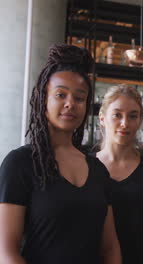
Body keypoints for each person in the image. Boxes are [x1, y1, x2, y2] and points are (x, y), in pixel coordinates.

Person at [0, 44, 121, 263]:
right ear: (43, 100)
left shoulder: (97, 170)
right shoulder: (20, 163)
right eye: (60, 94)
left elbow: (110, 248)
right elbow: (6, 252)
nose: (70, 104)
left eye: (79, 98)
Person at [95, 84, 143, 264]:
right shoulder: (85, 166)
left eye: (132, 116)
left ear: (140, 121)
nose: (124, 123)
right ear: (102, 118)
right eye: (117, 115)